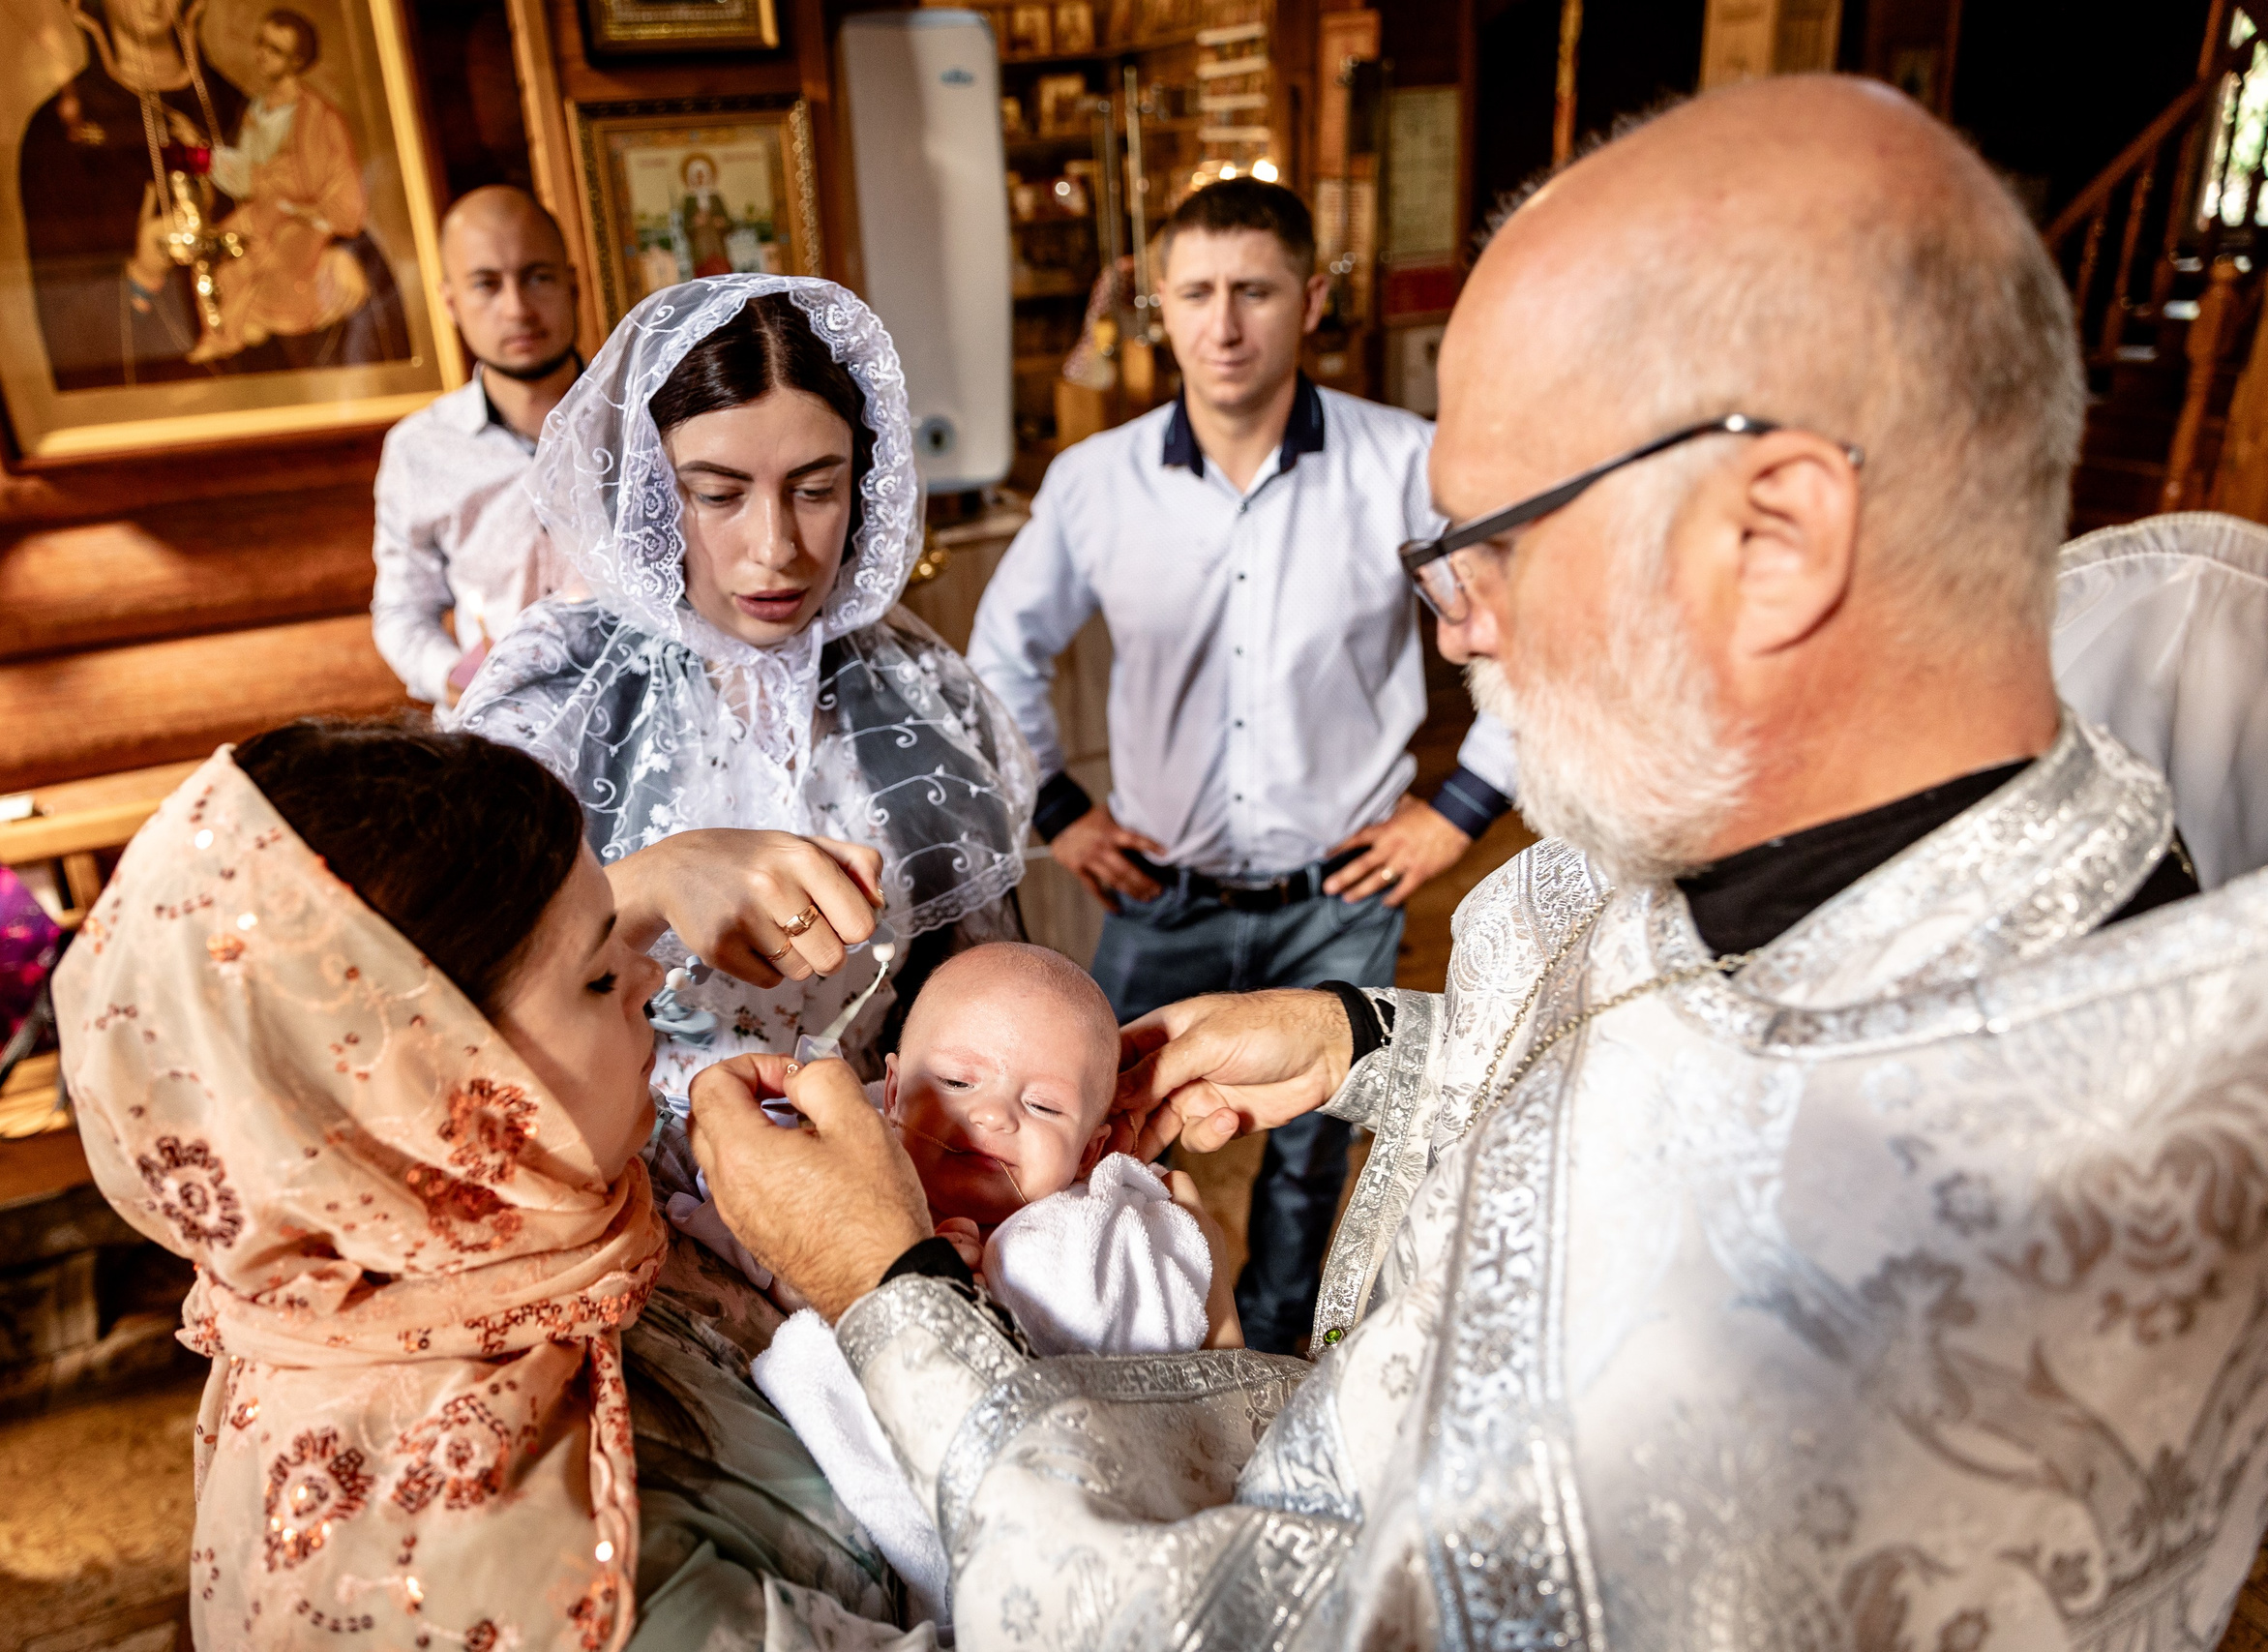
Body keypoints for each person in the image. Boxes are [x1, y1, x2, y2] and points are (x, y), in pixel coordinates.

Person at [689, 76, 2268, 1647]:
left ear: (1773, 538)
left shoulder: (1883, 1269)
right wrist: (1375, 1041)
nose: (1462, 628)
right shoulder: (1826, 814)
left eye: (1487, 543)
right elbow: (1663, 1058)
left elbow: (1236, 1627)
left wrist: (887, 1283)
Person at [55, 721, 927, 1649]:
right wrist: (895, 1283)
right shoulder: (581, 1591)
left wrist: (665, 874)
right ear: (434, 1091)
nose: (655, 971)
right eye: (600, 977)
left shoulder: (370, 1240)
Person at [966, 177, 1516, 1355]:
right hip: (1162, 897)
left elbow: (1521, 624)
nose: (1224, 326)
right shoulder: (1096, 483)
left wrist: (1459, 810)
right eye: (1198, 293)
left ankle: (1276, 1362)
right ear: (1158, 304)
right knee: (1102, 1140)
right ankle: (1116, 1353)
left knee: (1312, 1164)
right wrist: (1060, 810)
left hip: (1342, 895)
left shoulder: (1401, 465)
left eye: (1255, 292)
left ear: (1310, 300)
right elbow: (998, 658)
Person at [457, 275, 1035, 1099]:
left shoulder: (923, 689)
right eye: (718, 494)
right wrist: (655, 878)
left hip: (865, 1168)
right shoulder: (558, 691)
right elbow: (453, 979)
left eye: (816, 488)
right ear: (648, 493)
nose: (776, 547)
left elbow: (981, 987)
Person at [731, 943, 1235, 1607]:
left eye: (1045, 1106)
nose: (995, 1114)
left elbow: (1186, 1373)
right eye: (958, 1081)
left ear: (1091, 1148)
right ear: (890, 1091)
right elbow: (782, 1261)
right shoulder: (840, 1183)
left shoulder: (1096, 1234)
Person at [19, 0, 406, 389]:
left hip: (281, 376)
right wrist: (143, 276)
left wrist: (344, 257)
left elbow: (321, 200)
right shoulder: (58, 137)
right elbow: (63, 318)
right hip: (170, 395)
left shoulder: (237, 106)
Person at [371, 188, 585, 708]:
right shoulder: (418, 450)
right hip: (500, 735)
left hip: (648, 723)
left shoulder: (649, 418)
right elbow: (402, 611)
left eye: (538, 277)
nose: (517, 309)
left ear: (573, 284)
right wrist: (460, 679)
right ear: (451, 303)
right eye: (487, 284)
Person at [187, 10, 377, 364]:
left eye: (274, 50)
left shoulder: (318, 115)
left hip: (304, 219)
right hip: (262, 211)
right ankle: (222, 335)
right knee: (212, 252)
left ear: (296, 61)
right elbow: (242, 175)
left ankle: (246, 328)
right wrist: (197, 154)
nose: (261, 54)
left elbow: (321, 184)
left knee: (271, 262)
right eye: (261, 43)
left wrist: (271, 181)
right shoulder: (256, 108)